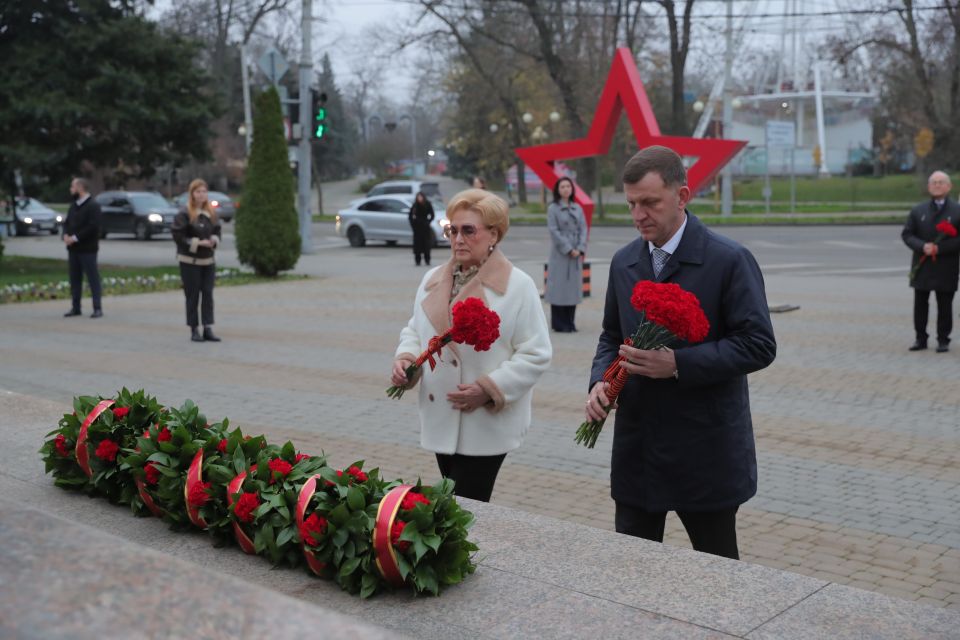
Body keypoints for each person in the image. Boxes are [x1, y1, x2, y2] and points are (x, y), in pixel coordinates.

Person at [585, 146, 776, 560]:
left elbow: (758, 345)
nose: (638, 215)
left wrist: (678, 364)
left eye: (650, 202)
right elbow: (610, 335)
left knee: (716, 575)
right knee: (632, 571)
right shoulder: (623, 262)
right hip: (639, 450)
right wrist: (601, 382)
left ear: (683, 196)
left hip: (704, 451)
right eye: (632, 203)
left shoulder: (729, 260)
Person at [391, 189, 552, 502]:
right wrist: (406, 359)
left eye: (468, 230)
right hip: (441, 415)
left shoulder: (518, 286)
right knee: (458, 507)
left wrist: (489, 388)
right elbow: (415, 329)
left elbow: (536, 353)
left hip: (485, 421)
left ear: (493, 234)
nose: (458, 239)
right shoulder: (432, 279)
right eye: (453, 230)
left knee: (464, 509)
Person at [902, 171, 960, 353]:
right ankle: (921, 338)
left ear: (949, 187)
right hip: (922, 264)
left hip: (946, 266)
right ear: (928, 187)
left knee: (944, 304)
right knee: (920, 303)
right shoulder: (918, 210)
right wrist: (922, 246)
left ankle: (943, 339)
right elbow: (907, 234)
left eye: (941, 182)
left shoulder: (957, 211)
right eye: (933, 182)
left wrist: (940, 249)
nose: (937, 185)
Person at [171, 179, 222, 342]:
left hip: (208, 261)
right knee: (192, 295)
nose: (202, 195)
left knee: (208, 294)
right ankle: (194, 329)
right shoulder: (184, 213)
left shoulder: (211, 213)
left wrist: (214, 240)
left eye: (204, 191)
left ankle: (208, 327)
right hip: (189, 261)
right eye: (198, 192)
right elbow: (178, 236)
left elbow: (217, 230)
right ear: (192, 194)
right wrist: (197, 243)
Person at [545, 176, 587, 332]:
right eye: (562, 187)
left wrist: (580, 248)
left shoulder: (578, 208)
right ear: (557, 190)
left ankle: (570, 322)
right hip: (560, 253)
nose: (565, 189)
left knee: (572, 289)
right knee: (559, 287)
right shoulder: (553, 209)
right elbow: (554, 231)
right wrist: (569, 249)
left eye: (568, 186)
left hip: (576, 252)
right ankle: (559, 323)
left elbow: (583, 229)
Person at [62, 177, 103, 318]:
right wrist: (65, 235)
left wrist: (75, 238)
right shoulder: (74, 205)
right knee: (74, 279)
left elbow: (93, 227)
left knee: (92, 278)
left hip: (88, 249)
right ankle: (76, 307)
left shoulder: (93, 205)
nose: (71, 190)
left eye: (72, 187)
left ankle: (97, 308)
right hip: (73, 249)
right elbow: (67, 223)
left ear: (80, 188)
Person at [408, 191, 435, 266]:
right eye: (418, 197)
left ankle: (427, 260)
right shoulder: (415, 205)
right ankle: (417, 260)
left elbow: (432, 215)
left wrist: (428, 222)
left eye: (421, 197)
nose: (419, 198)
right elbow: (410, 216)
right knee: (417, 245)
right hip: (417, 227)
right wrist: (413, 224)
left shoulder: (427, 204)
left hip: (425, 227)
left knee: (426, 244)